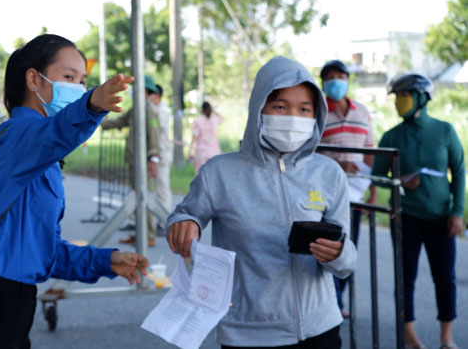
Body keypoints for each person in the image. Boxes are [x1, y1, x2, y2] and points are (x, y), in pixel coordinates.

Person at [0, 34, 148, 349]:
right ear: (33, 79)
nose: (77, 87)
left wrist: (107, 261)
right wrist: (89, 106)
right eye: (69, 77)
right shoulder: (18, 136)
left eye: (83, 80)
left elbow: (42, 252)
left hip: (12, 303)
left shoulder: (41, 155)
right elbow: (58, 132)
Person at [168, 56, 356, 348]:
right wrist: (185, 223)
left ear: (317, 114)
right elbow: (184, 215)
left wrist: (338, 253)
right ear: (259, 107)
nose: (293, 117)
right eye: (280, 106)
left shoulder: (329, 173)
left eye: (305, 109)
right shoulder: (219, 173)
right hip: (247, 333)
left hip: (321, 329)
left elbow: (348, 261)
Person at [372, 74, 464, 349]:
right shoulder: (391, 136)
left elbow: (459, 171)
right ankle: (410, 336)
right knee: (405, 278)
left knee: (445, 278)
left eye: (405, 95)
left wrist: (457, 212)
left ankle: (446, 337)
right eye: (397, 97)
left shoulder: (445, 130)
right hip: (406, 218)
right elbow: (377, 176)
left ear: (422, 97)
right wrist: (400, 182)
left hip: (441, 218)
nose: (400, 102)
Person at [318, 59, 377, 318]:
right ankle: (331, 302)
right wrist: (339, 162)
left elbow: (371, 152)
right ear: (323, 83)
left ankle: (339, 301)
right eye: (330, 77)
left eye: (340, 76)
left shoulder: (362, 112)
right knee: (328, 244)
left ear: (347, 80)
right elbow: (311, 152)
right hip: (326, 193)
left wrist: (373, 186)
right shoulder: (318, 112)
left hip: (356, 191)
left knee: (349, 247)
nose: (336, 81)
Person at [101, 75, 161, 246]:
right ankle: (139, 232)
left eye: (138, 88)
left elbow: (155, 136)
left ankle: (149, 235)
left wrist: (153, 159)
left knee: (145, 197)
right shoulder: (137, 108)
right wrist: (99, 119)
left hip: (144, 162)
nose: (133, 91)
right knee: (137, 199)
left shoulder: (149, 110)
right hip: (134, 160)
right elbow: (120, 121)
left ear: (146, 91)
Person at [149, 83, 173, 235]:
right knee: (155, 189)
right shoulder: (155, 110)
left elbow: (157, 129)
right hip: (156, 153)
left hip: (162, 154)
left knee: (162, 188)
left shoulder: (162, 111)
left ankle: (164, 223)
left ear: (157, 96)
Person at [188, 101, 222, 174]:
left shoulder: (198, 121)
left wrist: (190, 152)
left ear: (202, 110)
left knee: (200, 175)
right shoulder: (214, 120)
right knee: (213, 175)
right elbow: (221, 117)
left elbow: (194, 138)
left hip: (201, 153)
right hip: (214, 152)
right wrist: (213, 110)